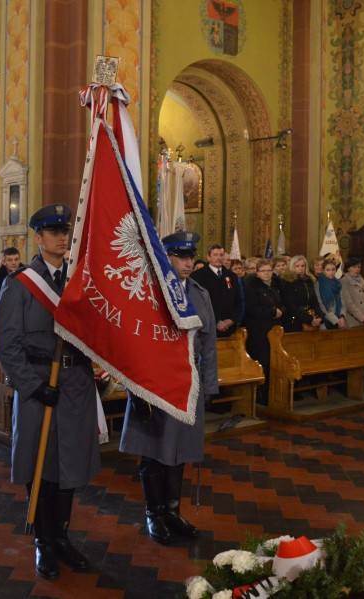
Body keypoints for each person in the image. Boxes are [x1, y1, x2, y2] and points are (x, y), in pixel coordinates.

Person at [0, 204, 100, 580]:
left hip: (75, 385)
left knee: (68, 463)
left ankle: (62, 538)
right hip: (40, 383)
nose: (61, 237)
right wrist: (34, 386)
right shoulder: (21, 283)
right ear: (38, 238)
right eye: (53, 232)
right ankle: (43, 540)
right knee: (40, 464)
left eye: (64, 231)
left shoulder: (78, 280)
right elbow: (5, 344)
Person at [120, 231, 218, 546]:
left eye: (192, 257)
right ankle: (154, 514)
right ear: (166, 257)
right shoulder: (150, 291)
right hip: (156, 382)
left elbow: (209, 343)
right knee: (155, 451)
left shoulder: (200, 293)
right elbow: (131, 344)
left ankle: (172, 511)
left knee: (180, 451)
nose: (189, 263)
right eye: (181, 256)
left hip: (189, 383)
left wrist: (209, 386)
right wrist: (135, 390)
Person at [244, 259, 285, 405]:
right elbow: (251, 309)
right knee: (263, 362)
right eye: (263, 271)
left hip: (274, 330)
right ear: (257, 273)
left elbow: (281, 304)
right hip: (259, 330)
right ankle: (260, 395)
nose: (267, 273)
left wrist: (281, 310)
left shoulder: (274, 286)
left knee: (273, 362)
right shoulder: (252, 287)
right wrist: (273, 312)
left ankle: (271, 394)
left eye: (269, 271)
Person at [189, 244, 245, 337]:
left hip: (229, 328)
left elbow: (239, 302)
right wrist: (216, 321)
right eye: (215, 255)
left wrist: (231, 320)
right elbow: (198, 304)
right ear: (208, 257)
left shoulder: (232, 276)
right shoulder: (197, 276)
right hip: (207, 329)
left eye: (221, 255)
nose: (219, 258)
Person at [280, 255, 324, 332]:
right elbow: (290, 305)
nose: (300, 268)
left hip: (310, 317)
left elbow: (314, 301)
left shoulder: (308, 280)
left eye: (303, 266)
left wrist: (321, 316)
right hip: (294, 320)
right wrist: (309, 319)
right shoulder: (287, 282)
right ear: (292, 267)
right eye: (297, 266)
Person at [340, 257, 364, 327]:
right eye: (354, 267)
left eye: (359, 267)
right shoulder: (344, 281)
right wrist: (363, 318)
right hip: (352, 322)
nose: (357, 269)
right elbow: (348, 304)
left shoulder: (362, 281)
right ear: (348, 268)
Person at [315, 259, 345, 329]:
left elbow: (342, 302)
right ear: (323, 270)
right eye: (328, 270)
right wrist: (335, 320)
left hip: (339, 318)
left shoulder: (337, 283)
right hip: (326, 321)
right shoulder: (318, 284)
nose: (331, 272)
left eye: (333, 269)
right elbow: (321, 304)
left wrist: (342, 316)